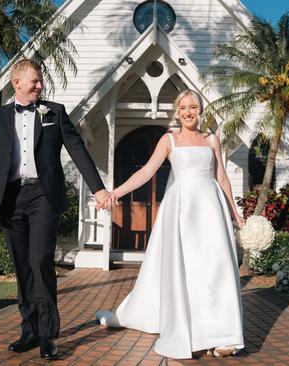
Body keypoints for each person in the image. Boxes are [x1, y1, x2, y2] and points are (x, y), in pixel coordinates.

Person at [0, 58, 112, 360]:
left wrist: (98, 188)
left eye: (41, 80)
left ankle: (48, 334)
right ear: (17, 83)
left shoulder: (55, 112)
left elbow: (77, 148)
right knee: (22, 266)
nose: (41, 85)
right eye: (35, 81)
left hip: (43, 196)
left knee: (40, 261)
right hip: (10, 198)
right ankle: (29, 330)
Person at [95, 90, 245, 359]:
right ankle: (193, 331)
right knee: (189, 271)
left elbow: (221, 176)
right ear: (177, 111)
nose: (188, 112)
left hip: (212, 210)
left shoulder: (212, 139)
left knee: (216, 268)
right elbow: (146, 172)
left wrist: (234, 211)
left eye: (193, 107)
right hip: (183, 211)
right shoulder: (169, 140)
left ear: (201, 111)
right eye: (183, 107)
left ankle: (224, 335)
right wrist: (116, 192)